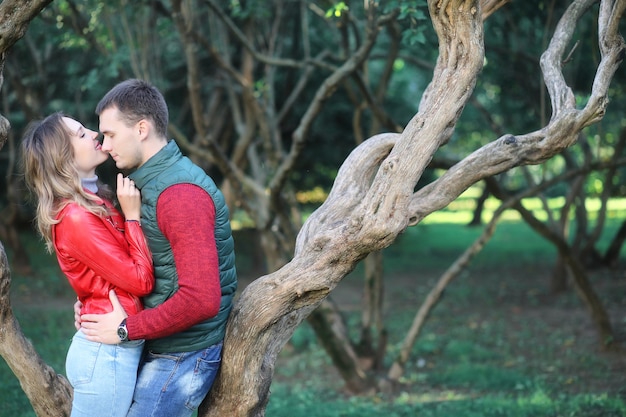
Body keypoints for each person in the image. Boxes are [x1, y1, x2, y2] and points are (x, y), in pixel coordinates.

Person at [78, 79, 238, 417]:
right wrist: (99, 309)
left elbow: (201, 299)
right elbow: (146, 270)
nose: (104, 146)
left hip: (183, 352)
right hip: (160, 340)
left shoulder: (179, 194)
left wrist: (124, 330)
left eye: (109, 134)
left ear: (141, 128)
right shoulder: (145, 182)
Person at [21, 112, 154, 417]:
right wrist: (132, 217)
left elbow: (99, 272)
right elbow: (140, 280)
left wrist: (87, 300)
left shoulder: (96, 201)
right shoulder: (76, 217)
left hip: (112, 348)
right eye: (81, 134)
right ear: (62, 158)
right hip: (104, 355)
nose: (95, 134)